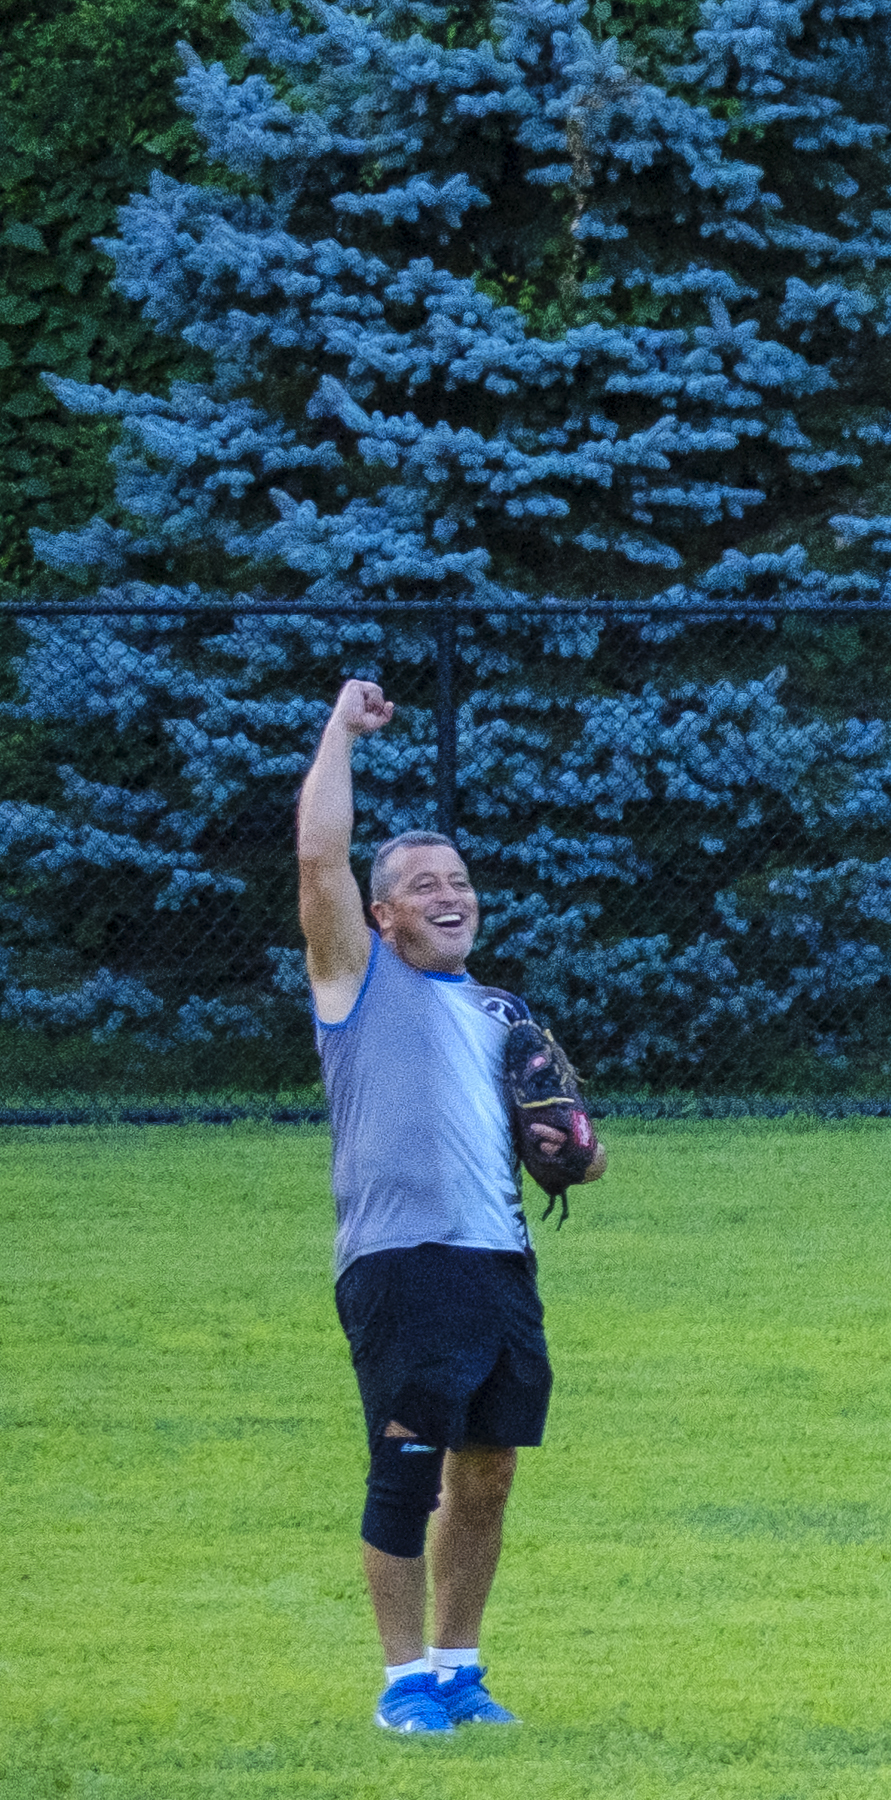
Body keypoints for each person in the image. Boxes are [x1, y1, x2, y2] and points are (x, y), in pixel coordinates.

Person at [298, 678, 549, 1734]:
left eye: (462, 881)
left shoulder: (504, 1011)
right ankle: (403, 1683)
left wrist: (575, 1153)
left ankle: (459, 1669)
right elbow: (320, 859)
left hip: (498, 1260)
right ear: (382, 913)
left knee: (486, 1472)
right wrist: (341, 731)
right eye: (424, 885)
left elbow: (563, 1145)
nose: (452, 895)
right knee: (406, 1472)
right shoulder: (356, 981)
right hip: (401, 1260)